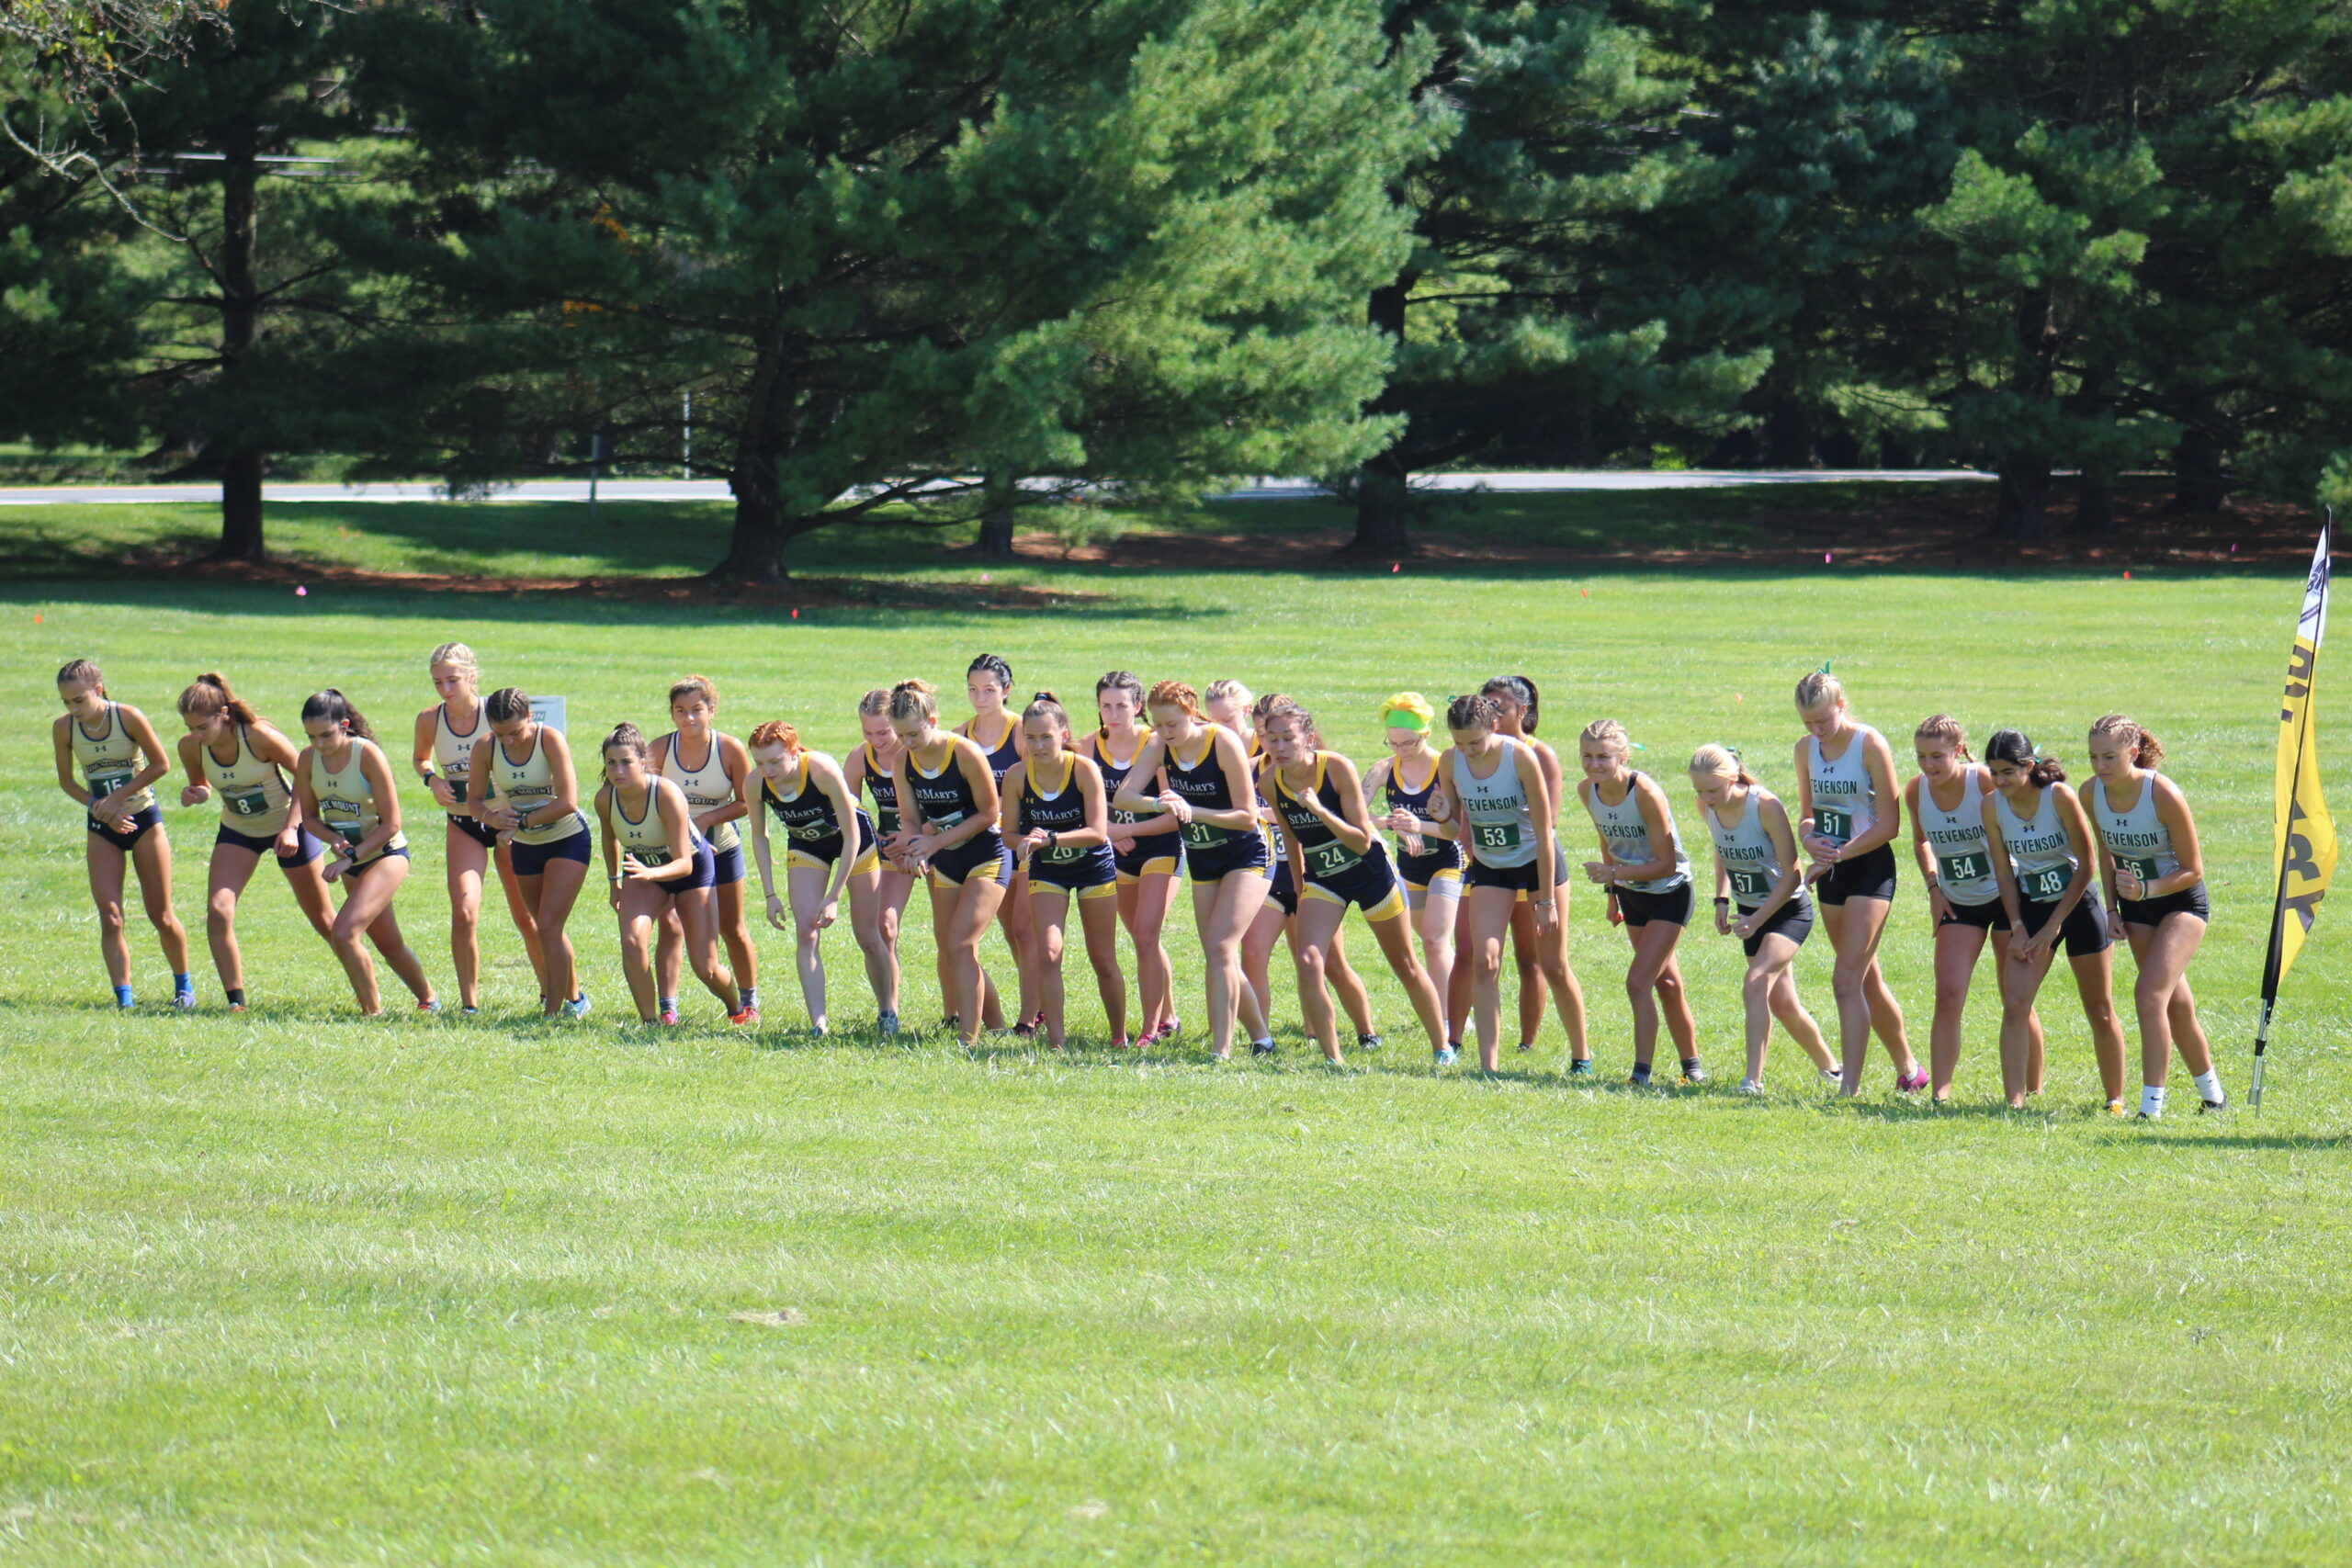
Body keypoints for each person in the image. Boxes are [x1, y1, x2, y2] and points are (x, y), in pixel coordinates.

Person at [1261, 702, 1448, 1066]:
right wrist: (1301, 893)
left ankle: (1442, 1047)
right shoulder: (1270, 781)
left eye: (1288, 738)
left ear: (1308, 739)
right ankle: (1333, 1058)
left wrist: (1319, 811)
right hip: (1323, 879)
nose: (1279, 748)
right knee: (1309, 957)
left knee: (1404, 963)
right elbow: (1290, 838)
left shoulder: (1336, 768)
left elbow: (1362, 841)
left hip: (1369, 872)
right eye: (1272, 739)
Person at [1214, 682, 1377, 1055]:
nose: (1270, 743)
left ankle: (1363, 1031)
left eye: (1278, 734)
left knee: (1329, 963)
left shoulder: (1319, 768)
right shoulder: (1251, 772)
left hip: (1315, 875)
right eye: (1264, 734)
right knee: (1253, 952)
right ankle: (1263, 1038)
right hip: (1270, 874)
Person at [1114, 680, 1272, 1062]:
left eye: (1172, 724)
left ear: (1191, 713)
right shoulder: (1158, 745)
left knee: (1221, 946)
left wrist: (1190, 810)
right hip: (1204, 857)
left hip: (1247, 854)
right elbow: (1124, 795)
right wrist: (1160, 802)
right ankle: (1263, 1040)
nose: (1166, 732)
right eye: (1158, 724)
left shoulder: (1220, 741)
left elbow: (1246, 816)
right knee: (1218, 955)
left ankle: (1221, 1050)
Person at [1792, 669, 1925, 1095]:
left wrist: (1838, 853)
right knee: (1866, 978)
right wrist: (1811, 839)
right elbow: (1807, 814)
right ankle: (1910, 1070)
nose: (1816, 730)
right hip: (1831, 869)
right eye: (1808, 723)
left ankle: (1848, 1087)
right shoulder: (1805, 749)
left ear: (1841, 707)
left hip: (1869, 868)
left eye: (1823, 721)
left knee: (1845, 980)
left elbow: (1889, 824)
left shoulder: (1869, 744)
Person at [2086, 713, 2226, 1117]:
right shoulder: (2090, 793)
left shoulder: (2162, 794)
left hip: (2181, 903)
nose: (2100, 766)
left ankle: (2151, 1109)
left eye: (2109, 757)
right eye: (2093, 757)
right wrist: (2112, 909)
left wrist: (2149, 888)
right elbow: (2107, 854)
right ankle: (2214, 1098)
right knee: (2175, 1004)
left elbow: (2194, 870)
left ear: (2133, 753)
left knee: (2149, 997)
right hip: (2134, 907)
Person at [1983, 729, 2130, 1112]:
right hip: (2031, 907)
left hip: (2078, 906)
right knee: (2015, 1003)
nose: (1999, 781)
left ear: (2028, 767)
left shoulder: (2058, 797)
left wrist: (2054, 926)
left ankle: (2115, 1100)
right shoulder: (1991, 806)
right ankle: (2014, 1101)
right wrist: (2017, 925)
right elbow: (2003, 872)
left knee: (2098, 1006)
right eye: (1993, 772)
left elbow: (2087, 864)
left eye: (2007, 773)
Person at [1437, 693, 1582, 1073]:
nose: (1467, 751)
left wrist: (1547, 901)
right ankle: (1490, 1066)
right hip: (1490, 866)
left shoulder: (1519, 757)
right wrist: (1443, 817)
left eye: (1475, 742)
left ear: (1494, 727)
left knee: (1553, 965)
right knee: (1485, 960)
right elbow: (1457, 828)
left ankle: (1581, 1056)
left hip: (1538, 862)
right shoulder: (1449, 762)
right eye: (1459, 743)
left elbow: (1544, 832)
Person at [175, 671, 333, 1010]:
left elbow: (306, 777)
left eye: (203, 727)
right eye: (190, 728)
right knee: (218, 911)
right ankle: (236, 1002)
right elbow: (202, 784)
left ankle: (368, 990)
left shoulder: (259, 736)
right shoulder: (191, 747)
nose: (196, 735)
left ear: (224, 715)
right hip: (239, 831)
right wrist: (196, 793)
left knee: (323, 920)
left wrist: (291, 828)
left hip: (288, 828)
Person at [1905, 714, 2042, 1103]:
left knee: (2015, 997)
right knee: (1948, 994)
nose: (1928, 765)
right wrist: (1933, 887)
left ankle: (2032, 1088)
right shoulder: (1917, 790)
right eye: (1920, 756)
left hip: (2006, 898)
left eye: (1937, 756)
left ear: (1959, 751)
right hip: (1958, 902)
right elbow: (1920, 842)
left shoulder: (1982, 781)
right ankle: (1940, 1094)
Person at [1690, 743, 1840, 1094]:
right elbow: (1721, 848)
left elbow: (1791, 876)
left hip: (1787, 911)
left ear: (1733, 777)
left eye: (1713, 790)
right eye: (1699, 791)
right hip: (1751, 913)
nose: (1706, 798)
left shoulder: (1764, 806)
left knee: (1755, 981)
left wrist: (1757, 920)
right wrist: (1721, 899)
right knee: (1784, 1004)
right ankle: (1833, 1070)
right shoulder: (1707, 806)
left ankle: (1751, 1081)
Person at [51, 660, 192, 1010]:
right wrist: (100, 808)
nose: (73, 709)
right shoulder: (64, 728)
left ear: (98, 690)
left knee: (161, 914)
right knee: (111, 915)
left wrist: (114, 801)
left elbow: (161, 764)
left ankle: (184, 988)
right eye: (67, 702)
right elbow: (67, 782)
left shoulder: (127, 716)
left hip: (143, 819)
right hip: (102, 827)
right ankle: (124, 1001)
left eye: (79, 700)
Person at [412, 642, 541, 1016]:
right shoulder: (429, 719)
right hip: (464, 822)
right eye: (438, 682)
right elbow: (421, 758)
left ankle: (555, 994)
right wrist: (432, 779)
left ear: (472, 676)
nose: (446, 690)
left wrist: (515, 819)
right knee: (465, 912)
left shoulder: (496, 715)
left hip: (506, 823)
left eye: (453, 680)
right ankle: (469, 1005)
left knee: (525, 915)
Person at [292, 688, 437, 1016]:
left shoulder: (367, 755)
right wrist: (332, 838)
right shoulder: (308, 759)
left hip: (385, 855)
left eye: (326, 735)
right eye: (311, 736)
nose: (318, 744)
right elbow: (310, 817)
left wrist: (350, 858)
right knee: (387, 941)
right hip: (351, 861)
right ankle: (429, 999)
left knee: (343, 934)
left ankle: (372, 1014)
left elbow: (392, 823)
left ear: (344, 725)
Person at [747, 717, 894, 1035]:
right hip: (807, 845)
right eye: (759, 763)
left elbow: (853, 835)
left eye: (774, 761)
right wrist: (770, 895)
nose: (767, 770)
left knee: (868, 935)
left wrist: (834, 897)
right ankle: (819, 1023)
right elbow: (759, 836)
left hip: (855, 843)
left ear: (793, 751)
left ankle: (887, 1011)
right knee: (806, 932)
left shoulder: (820, 770)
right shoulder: (755, 782)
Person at [1576, 718, 1703, 1086]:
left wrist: (1615, 875)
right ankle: (1692, 1067)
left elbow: (1667, 863)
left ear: (1623, 757)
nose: (1594, 764)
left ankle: (1641, 1074)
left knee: (1637, 981)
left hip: (1669, 892)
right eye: (1587, 756)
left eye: (1604, 757)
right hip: (1632, 894)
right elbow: (1608, 843)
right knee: (1666, 982)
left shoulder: (1644, 791)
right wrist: (1612, 894)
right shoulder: (1588, 791)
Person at [888, 678, 1012, 1049]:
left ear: (933, 720)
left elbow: (991, 813)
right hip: (947, 860)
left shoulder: (964, 753)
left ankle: (968, 1041)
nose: (907, 743)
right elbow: (909, 819)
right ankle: (999, 1026)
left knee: (960, 942)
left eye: (913, 734)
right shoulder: (902, 760)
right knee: (952, 945)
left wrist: (933, 843)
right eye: (901, 736)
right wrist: (913, 850)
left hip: (987, 855)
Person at [1002, 693, 1128, 1049]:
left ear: (1063, 734)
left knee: (1103, 960)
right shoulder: (1016, 777)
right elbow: (1009, 834)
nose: (1038, 745)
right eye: (1030, 738)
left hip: (1093, 867)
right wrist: (1025, 841)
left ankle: (1119, 1037)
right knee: (1049, 953)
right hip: (1048, 870)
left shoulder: (1083, 769)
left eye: (1046, 737)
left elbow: (1098, 832)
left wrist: (1051, 838)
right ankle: (1056, 1042)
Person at [594, 722, 740, 1024]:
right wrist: (614, 883)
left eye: (626, 762)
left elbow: (685, 863)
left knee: (706, 967)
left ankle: (737, 1009)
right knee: (632, 941)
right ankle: (651, 1023)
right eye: (611, 763)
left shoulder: (665, 793)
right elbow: (609, 838)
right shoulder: (605, 798)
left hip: (690, 871)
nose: (618, 770)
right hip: (643, 869)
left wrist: (650, 873)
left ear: (643, 762)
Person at [469, 687, 597, 1020]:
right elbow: (474, 802)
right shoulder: (485, 747)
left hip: (567, 838)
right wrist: (494, 819)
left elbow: (568, 801)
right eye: (500, 734)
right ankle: (576, 999)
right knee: (544, 926)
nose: (509, 741)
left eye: (515, 732)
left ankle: (552, 1013)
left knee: (550, 925)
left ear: (529, 717)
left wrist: (521, 822)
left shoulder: (550, 740)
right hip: (526, 846)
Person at [652, 675, 759, 1023]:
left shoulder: (728, 748)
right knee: (670, 925)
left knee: (733, 927)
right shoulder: (658, 750)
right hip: (675, 852)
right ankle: (668, 1008)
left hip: (722, 847)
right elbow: (643, 796)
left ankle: (748, 1002)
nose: (689, 718)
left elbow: (747, 802)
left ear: (712, 711)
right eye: (680, 711)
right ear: (672, 714)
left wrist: (705, 820)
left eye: (697, 710)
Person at [1088, 670, 1182, 1043]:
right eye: (1105, 706)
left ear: (1138, 707)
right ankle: (1170, 1015)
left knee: (1145, 934)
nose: (1113, 713)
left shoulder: (1155, 744)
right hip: (1117, 851)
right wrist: (1110, 831)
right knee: (1144, 938)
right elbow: (1080, 804)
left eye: (1121, 706)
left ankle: (1150, 1029)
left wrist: (1126, 830)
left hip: (1159, 848)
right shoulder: (1087, 747)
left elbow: (1174, 818)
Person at [1364, 692, 1462, 1050]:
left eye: (1409, 741)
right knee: (1430, 942)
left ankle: (1451, 1021)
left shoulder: (1444, 767)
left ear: (1426, 734)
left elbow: (1455, 830)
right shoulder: (1384, 768)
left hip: (1448, 861)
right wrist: (1392, 824)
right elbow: (1355, 818)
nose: (1400, 749)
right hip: (1410, 865)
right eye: (1393, 742)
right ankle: (1451, 1003)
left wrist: (1419, 826)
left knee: (1436, 939)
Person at [958, 654, 1038, 1034]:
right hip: (986, 847)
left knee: (1024, 928)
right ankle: (1026, 1006)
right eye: (974, 690)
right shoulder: (961, 735)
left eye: (989, 690)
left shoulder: (1023, 732)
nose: (981, 697)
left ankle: (1030, 1016)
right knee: (1009, 930)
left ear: (1006, 691)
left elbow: (1042, 787)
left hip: (1024, 842)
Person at [842, 687, 916, 1034]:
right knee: (884, 926)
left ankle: (955, 1013)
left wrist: (918, 838)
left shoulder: (916, 749)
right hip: (889, 848)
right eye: (868, 733)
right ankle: (890, 1012)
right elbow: (847, 811)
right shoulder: (861, 757)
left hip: (934, 841)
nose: (877, 740)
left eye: (884, 732)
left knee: (952, 937)